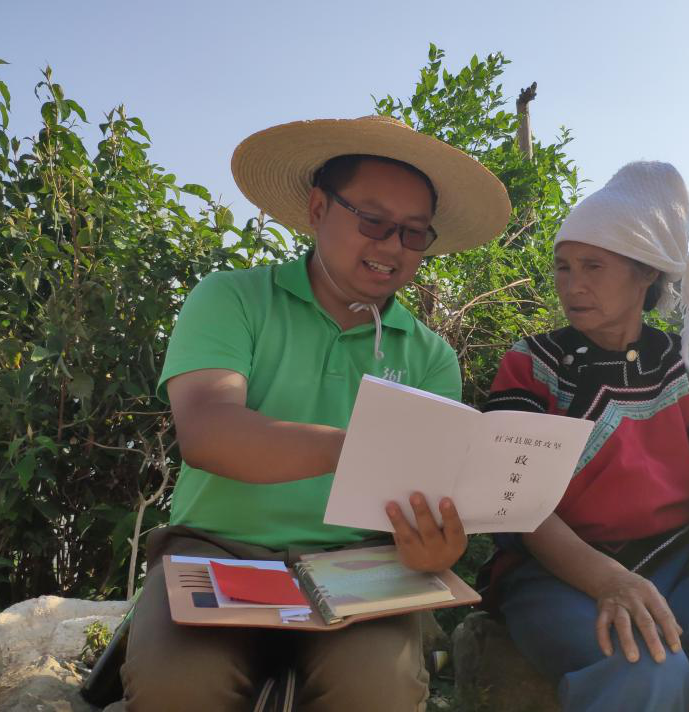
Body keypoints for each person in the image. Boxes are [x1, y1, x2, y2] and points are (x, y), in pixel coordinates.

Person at [120, 115, 512, 712]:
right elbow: (206, 431)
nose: (390, 247)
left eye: (412, 234)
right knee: (178, 689)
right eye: (372, 221)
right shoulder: (231, 299)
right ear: (317, 207)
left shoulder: (430, 358)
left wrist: (433, 551)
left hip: (364, 566)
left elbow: (416, 507)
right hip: (216, 551)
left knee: (381, 691)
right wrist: (358, 448)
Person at [480, 162, 689, 712]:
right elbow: (512, 501)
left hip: (680, 565)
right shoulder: (533, 365)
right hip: (558, 572)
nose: (574, 284)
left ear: (646, 275)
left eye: (593, 266)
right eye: (564, 267)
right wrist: (608, 580)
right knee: (643, 669)